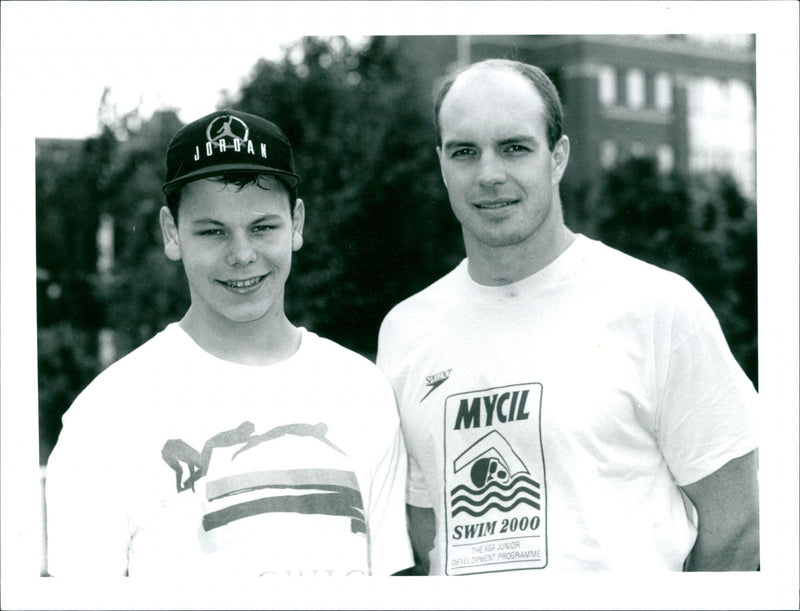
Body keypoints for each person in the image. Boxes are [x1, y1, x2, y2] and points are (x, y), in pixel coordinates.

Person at [376, 59, 759, 575]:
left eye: (515, 147)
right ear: (441, 162)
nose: (489, 174)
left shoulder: (656, 306)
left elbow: (740, 525)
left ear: (558, 157)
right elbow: (426, 533)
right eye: (465, 152)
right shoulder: (406, 330)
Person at [46, 109, 413, 577]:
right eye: (212, 231)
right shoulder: (107, 414)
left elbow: (393, 584)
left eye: (262, 227)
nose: (242, 255)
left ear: (296, 224)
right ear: (171, 232)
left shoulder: (362, 390)